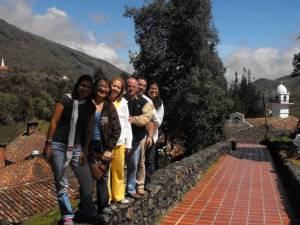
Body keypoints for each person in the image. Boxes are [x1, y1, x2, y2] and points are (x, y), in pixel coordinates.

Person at [43, 75, 96, 225]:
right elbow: (54, 121)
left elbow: (89, 130)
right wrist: (48, 143)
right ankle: (67, 214)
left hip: (78, 147)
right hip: (58, 145)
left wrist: (85, 150)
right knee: (61, 181)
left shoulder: (90, 106)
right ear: (77, 85)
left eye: (88, 87)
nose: (85, 89)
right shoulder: (66, 99)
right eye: (82, 85)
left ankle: (88, 210)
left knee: (86, 180)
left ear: (91, 90)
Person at [89, 69, 121, 214]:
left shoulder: (109, 106)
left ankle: (103, 208)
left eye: (106, 87)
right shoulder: (86, 104)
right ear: (95, 87)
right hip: (87, 147)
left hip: (103, 147)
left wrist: (109, 148)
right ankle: (87, 208)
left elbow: (117, 129)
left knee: (102, 176)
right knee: (86, 179)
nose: (103, 89)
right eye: (100, 86)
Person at [125, 77, 153, 198]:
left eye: (133, 86)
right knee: (122, 165)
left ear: (137, 88)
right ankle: (121, 189)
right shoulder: (121, 99)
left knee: (135, 164)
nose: (131, 88)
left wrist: (134, 120)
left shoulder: (145, 102)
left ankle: (133, 188)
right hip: (122, 139)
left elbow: (147, 118)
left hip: (137, 138)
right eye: (129, 86)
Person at [108, 77, 132, 204]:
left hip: (120, 142)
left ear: (121, 90)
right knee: (105, 172)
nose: (115, 88)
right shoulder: (104, 101)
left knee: (118, 170)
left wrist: (128, 143)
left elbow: (127, 124)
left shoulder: (123, 103)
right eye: (114, 85)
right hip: (105, 143)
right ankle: (107, 197)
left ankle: (118, 196)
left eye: (118, 87)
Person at [135, 77, 156, 195]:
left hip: (141, 137)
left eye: (143, 85)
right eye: (139, 84)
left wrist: (150, 136)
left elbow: (151, 121)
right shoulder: (125, 98)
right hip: (126, 137)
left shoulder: (148, 102)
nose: (141, 87)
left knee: (141, 163)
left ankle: (140, 186)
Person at [145, 81, 164, 183]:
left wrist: (152, 109)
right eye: (151, 88)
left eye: (155, 89)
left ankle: (147, 181)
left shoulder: (160, 104)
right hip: (140, 135)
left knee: (150, 159)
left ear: (158, 91)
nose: (153, 90)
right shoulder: (143, 100)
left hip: (153, 136)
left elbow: (159, 122)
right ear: (148, 90)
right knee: (140, 161)